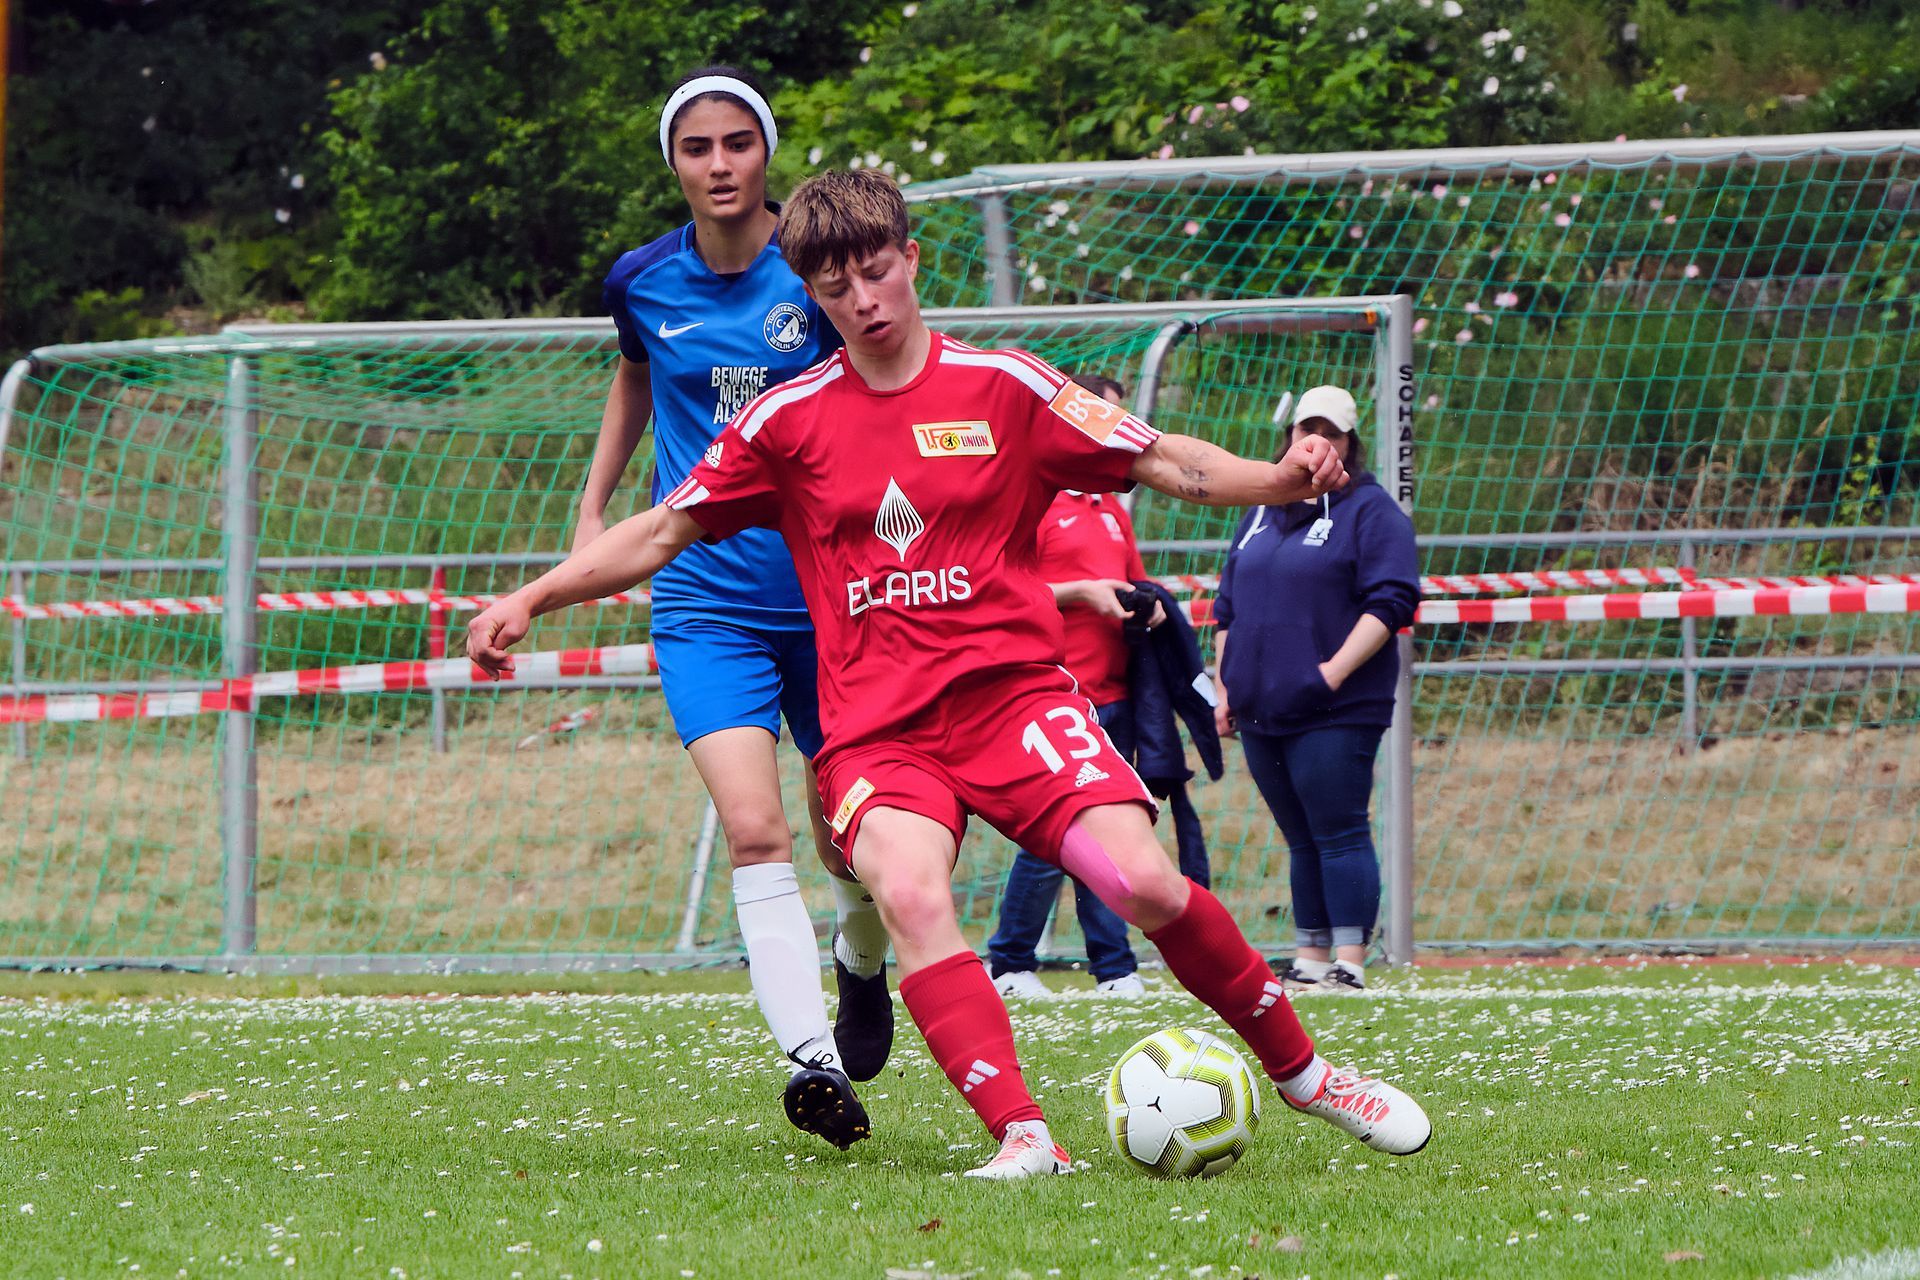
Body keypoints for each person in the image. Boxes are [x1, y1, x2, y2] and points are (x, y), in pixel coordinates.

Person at [469, 170, 1432, 1180]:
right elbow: (661, 530)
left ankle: (1309, 1075)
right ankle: (1025, 1135)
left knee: (1144, 879)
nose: (863, 300)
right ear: (813, 295)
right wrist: (533, 597)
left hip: (1015, 701)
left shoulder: (1005, 386)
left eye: (877, 272)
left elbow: (1159, 459)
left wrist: (1277, 481)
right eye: (835, 288)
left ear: (912, 259)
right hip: (879, 734)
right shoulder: (785, 421)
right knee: (913, 893)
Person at [581, 66, 891, 1150]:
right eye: (697, 147)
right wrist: (593, 512)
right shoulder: (641, 280)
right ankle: (813, 1062)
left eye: (737, 143)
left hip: (833, 598)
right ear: (673, 162)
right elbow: (634, 377)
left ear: (766, 151)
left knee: (848, 833)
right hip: (705, 604)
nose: (719, 164)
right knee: (755, 828)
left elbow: (884, 387)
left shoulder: (816, 272)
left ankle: (860, 956)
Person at [1212, 386, 1420, 992]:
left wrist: (1330, 674)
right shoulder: (1258, 510)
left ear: (1350, 442)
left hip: (1336, 707)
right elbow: (1227, 608)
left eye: (1331, 432)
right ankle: (1308, 958)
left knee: (1338, 828)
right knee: (1300, 836)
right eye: (1309, 429)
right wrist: (1226, 688)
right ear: (1290, 436)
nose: (1317, 442)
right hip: (1260, 706)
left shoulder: (1372, 511)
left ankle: (1349, 962)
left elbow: (1392, 602)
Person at [987, 373, 1159, 1001]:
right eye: (1103, 420)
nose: (1115, 432)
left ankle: (1112, 967)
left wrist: (1150, 606)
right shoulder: (1034, 499)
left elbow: (1134, 581)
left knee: (1106, 830)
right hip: (1054, 695)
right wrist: (1081, 593)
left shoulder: (1110, 508)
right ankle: (1010, 962)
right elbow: (1002, 590)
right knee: (1054, 833)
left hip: (1115, 695)